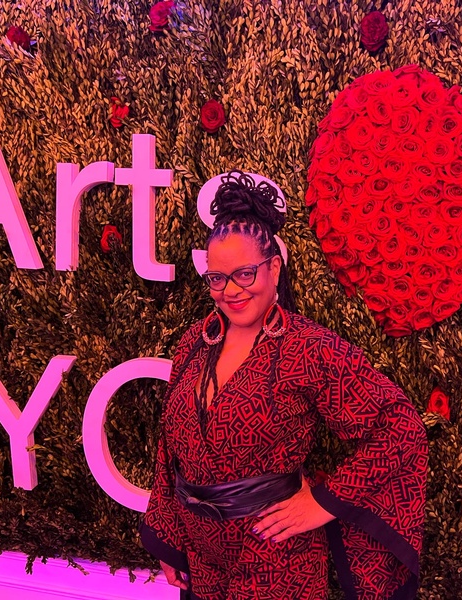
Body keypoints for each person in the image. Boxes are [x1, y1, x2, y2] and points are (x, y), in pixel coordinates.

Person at [139, 171, 427, 599]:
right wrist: (168, 536)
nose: (230, 291)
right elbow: (170, 444)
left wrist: (322, 503)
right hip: (202, 555)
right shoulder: (195, 341)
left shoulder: (307, 348)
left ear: (273, 267)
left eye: (244, 274)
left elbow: (401, 429)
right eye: (217, 278)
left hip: (274, 556)